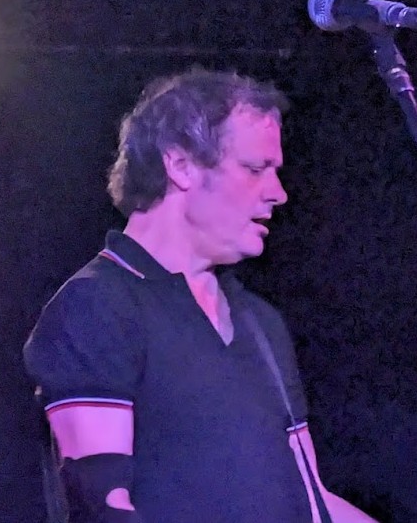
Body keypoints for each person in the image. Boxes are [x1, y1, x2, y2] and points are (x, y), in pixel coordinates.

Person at [23, 69, 378, 523]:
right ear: (181, 165)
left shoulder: (259, 322)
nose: (279, 193)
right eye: (255, 169)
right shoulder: (96, 307)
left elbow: (311, 501)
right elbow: (107, 507)